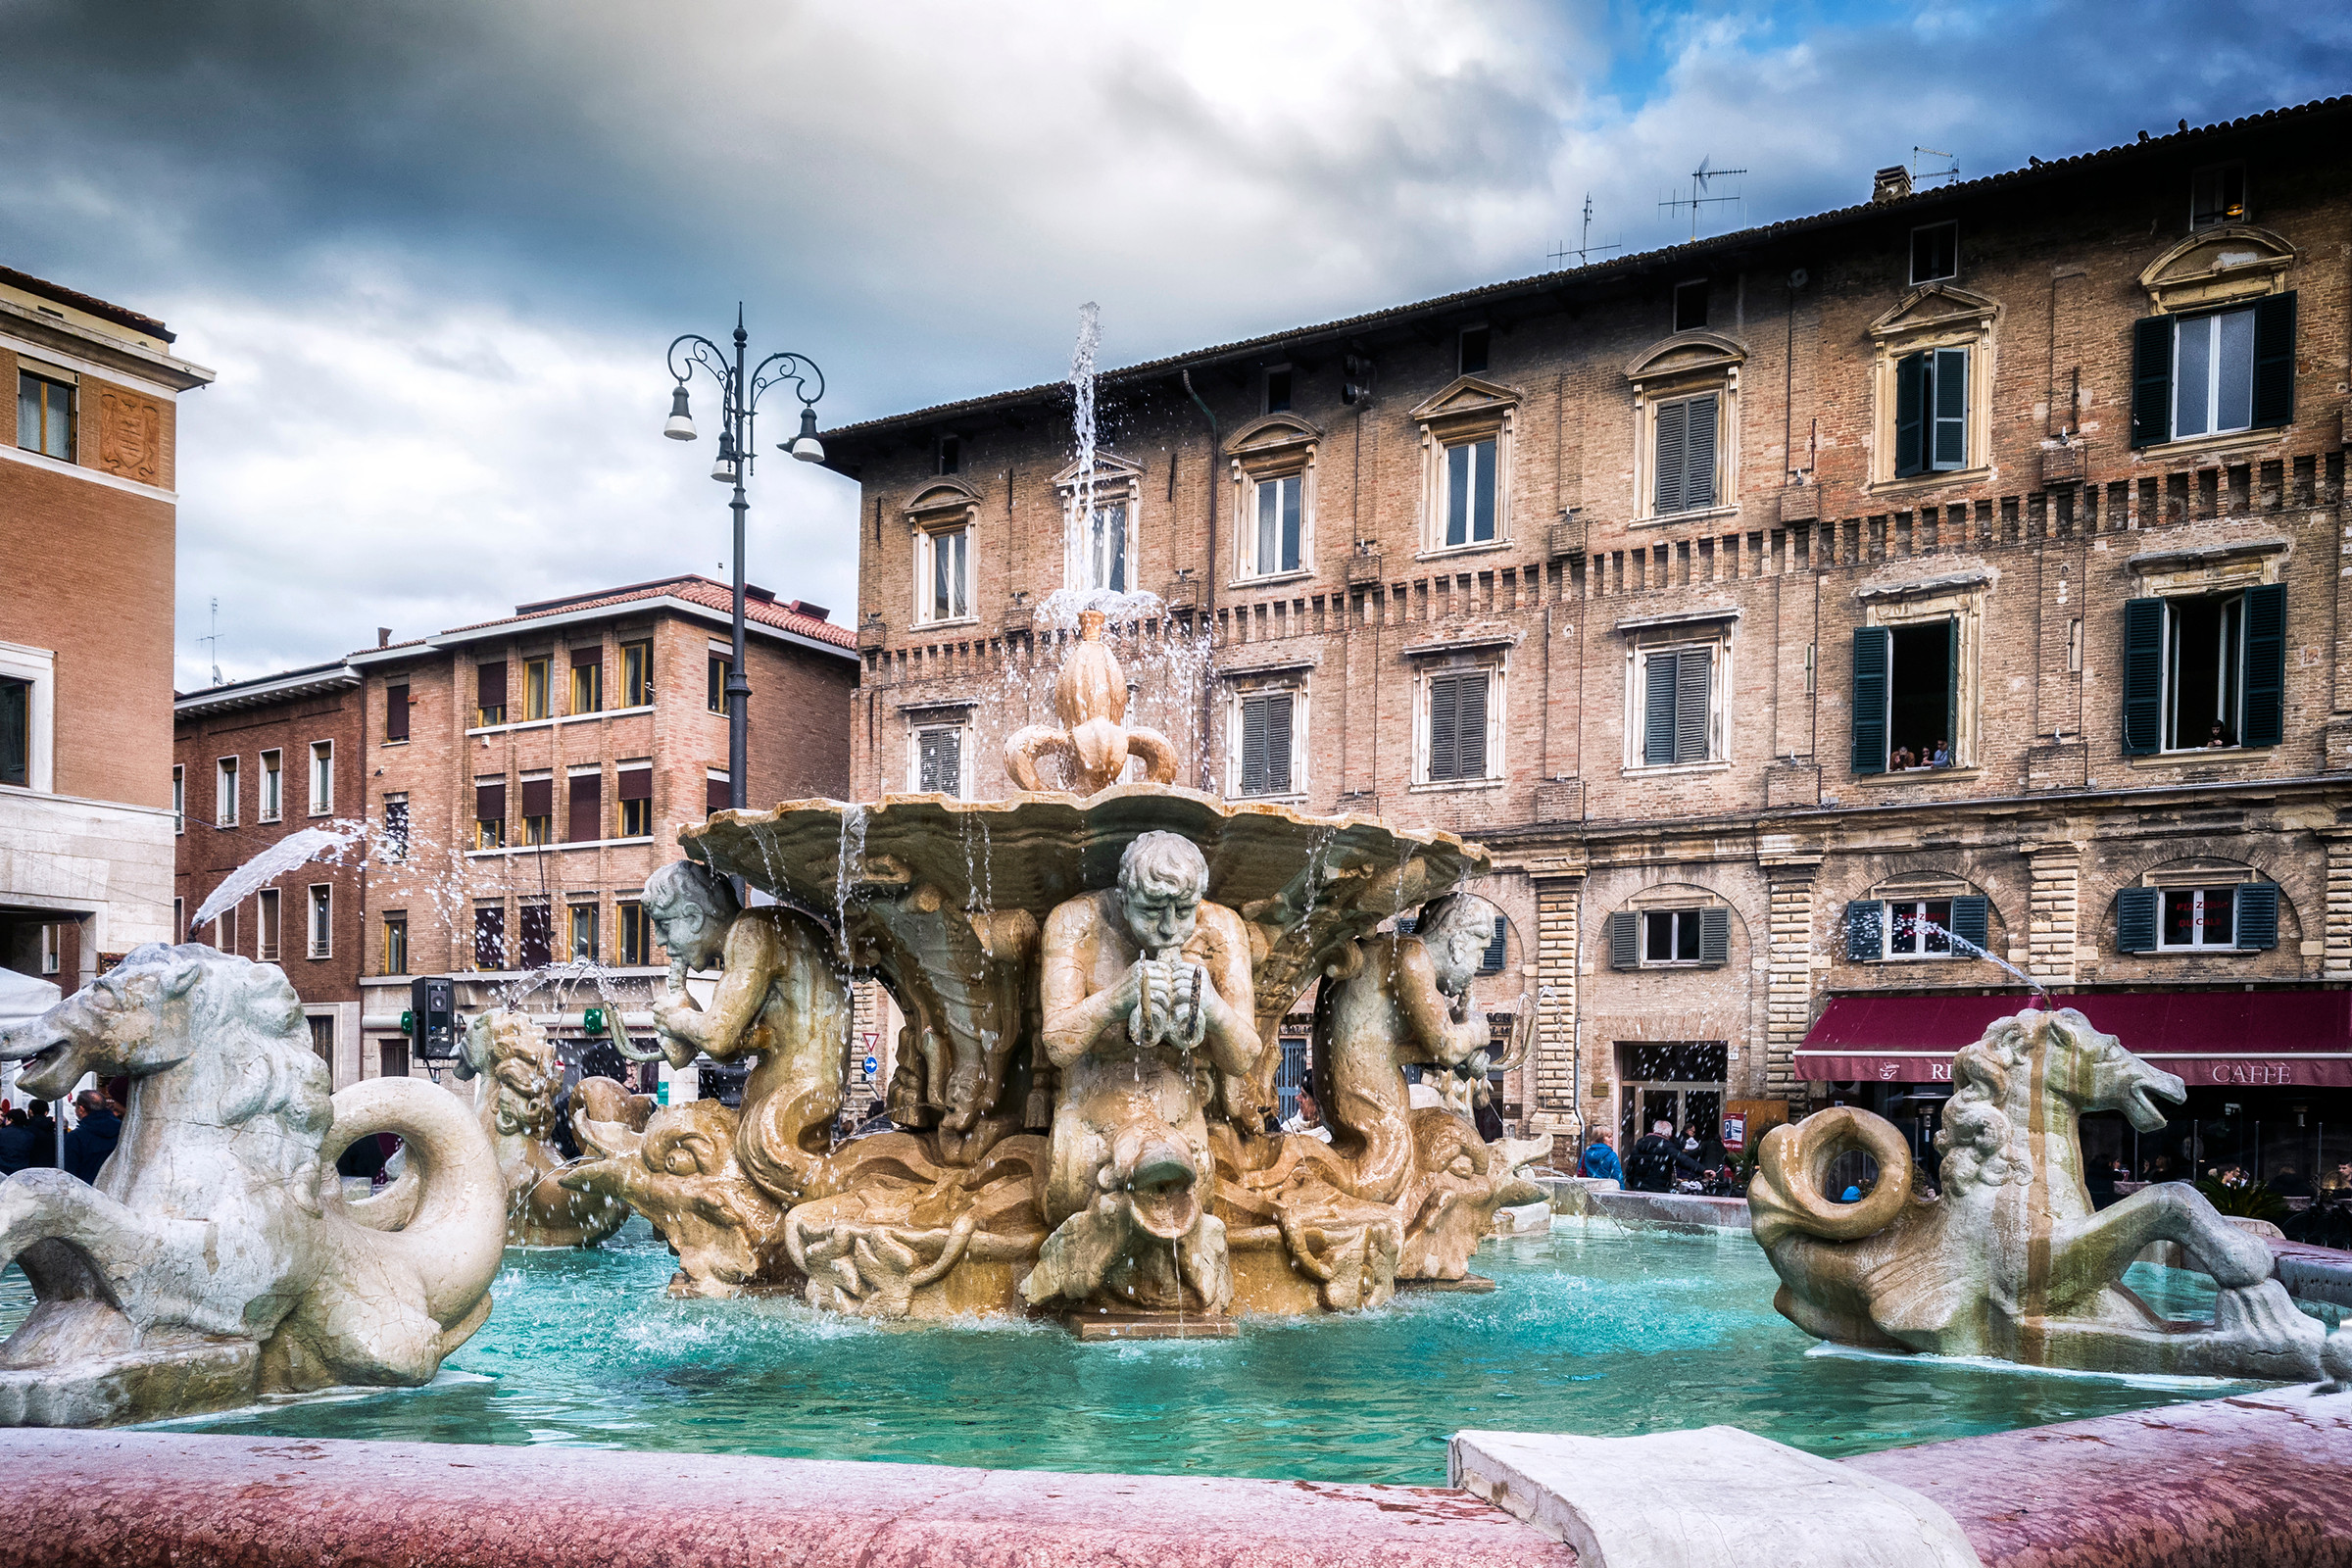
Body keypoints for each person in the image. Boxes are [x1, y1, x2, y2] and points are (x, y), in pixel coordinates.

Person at [62, 1089, 121, 1184]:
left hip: (88, 1191)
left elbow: (70, 1174)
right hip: (116, 1187)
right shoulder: (122, 1128)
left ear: (81, 1110)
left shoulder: (76, 1137)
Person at [1627, 1118, 1701, 1194]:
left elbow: (1630, 1170)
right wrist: (1702, 1170)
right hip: (1659, 1190)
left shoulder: (1640, 1144)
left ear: (1653, 1130)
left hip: (1639, 1189)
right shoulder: (1667, 1146)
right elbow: (1682, 1159)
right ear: (1670, 1134)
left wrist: (1635, 1184)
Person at [0, 1107, 36, 1176]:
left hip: (2, 1170)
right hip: (21, 1172)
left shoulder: (1, 1133)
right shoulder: (30, 1136)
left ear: (11, 1120)